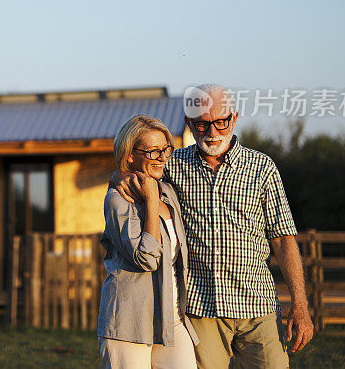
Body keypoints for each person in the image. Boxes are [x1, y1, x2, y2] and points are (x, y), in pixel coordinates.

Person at [110, 84, 314, 369]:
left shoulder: (262, 167)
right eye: (202, 124)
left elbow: (283, 239)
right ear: (189, 124)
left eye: (221, 121)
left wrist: (300, 306)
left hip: (258, 307)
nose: (213, 132)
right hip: (202, 312)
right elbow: (142, 163)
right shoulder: (173, 165)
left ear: (234, 117)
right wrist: (119, 175)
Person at [98, 114, 199, 369]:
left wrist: (155, 194)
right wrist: (151, 201)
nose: (163, 157)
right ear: (130, 155)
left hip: (171, 320)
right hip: (128, 324)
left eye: (166, 149)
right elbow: (146, 258)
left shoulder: (169, 192)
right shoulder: (117, 200)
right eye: (154, 151)